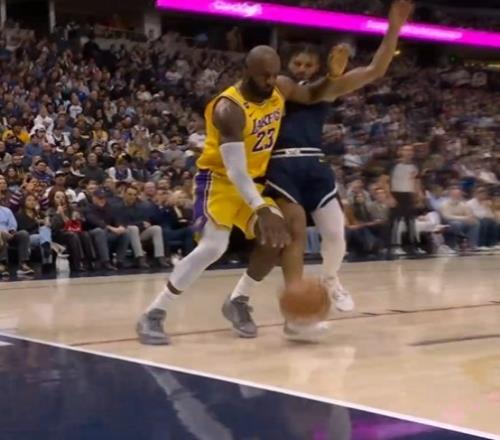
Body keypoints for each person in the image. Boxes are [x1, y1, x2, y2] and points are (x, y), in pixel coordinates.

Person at [137, 43, 350, 345]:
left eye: (274, 74)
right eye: (264, 75)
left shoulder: (279, 88)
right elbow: (236, 171)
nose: (270, 81)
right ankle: (154, 312)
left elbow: (314, 94)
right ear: (247, 71)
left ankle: (238, 300)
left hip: (254, 182)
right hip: (219, 182)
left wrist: (332, 76)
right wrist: (262, 209)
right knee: (214, 246)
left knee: (279, 234)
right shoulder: (229, 109)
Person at [230, 0, 414, 328]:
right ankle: (295, 312)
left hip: (315, 165)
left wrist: (394, 28)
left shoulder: (328, 88)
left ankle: (330, 278)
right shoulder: (280, 85)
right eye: (297, 63)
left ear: (316, 67)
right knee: (294, 234)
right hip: (281, 166)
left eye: (308, 64)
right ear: (287, 64)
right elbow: (306, 93)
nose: (302, 68)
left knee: (336, 234)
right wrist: (331, 76)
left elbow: (376, 70)